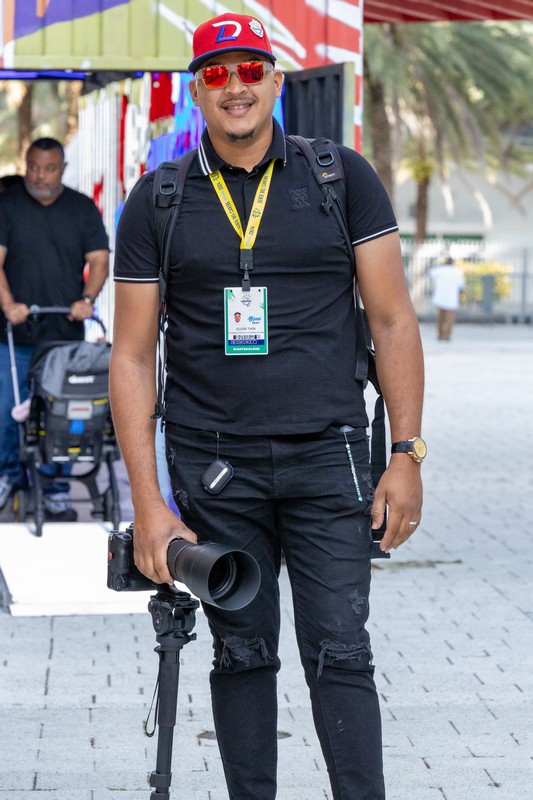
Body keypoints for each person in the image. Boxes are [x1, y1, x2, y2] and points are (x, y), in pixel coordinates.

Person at [110, 13, 425, 800]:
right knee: (241, 654)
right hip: (215, 465)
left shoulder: (340, 178)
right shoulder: (158, 200)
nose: (235, 86)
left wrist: (405, 455)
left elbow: (392, 320)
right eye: (216, 74)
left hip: (329, 456)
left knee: (341, 652)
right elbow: (132, 356)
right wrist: (148, 505)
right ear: (196, 90)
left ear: (275, 81)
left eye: (250, 69)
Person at [0, 137, 109, 519]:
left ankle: (55, 488)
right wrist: (8, 305)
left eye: (48, 168)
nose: (39, 176)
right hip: (14, 336)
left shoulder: (81, 208)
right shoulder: (8, 206)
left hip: (64, 340)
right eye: (33, 167)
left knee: (62, 416)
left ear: (62, 169)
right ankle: (8, 476)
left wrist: (87, 299)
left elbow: (99, 260)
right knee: (7, 412)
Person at [428, 255, 465, 340]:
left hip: (440, 298)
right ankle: (448, 335)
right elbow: (461, 286)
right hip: (452, 299)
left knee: (440, 318)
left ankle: (440, 334)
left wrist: (439, 265)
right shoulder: (457, 272)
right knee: (450, 319)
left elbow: (429, 272)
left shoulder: (440, 270)